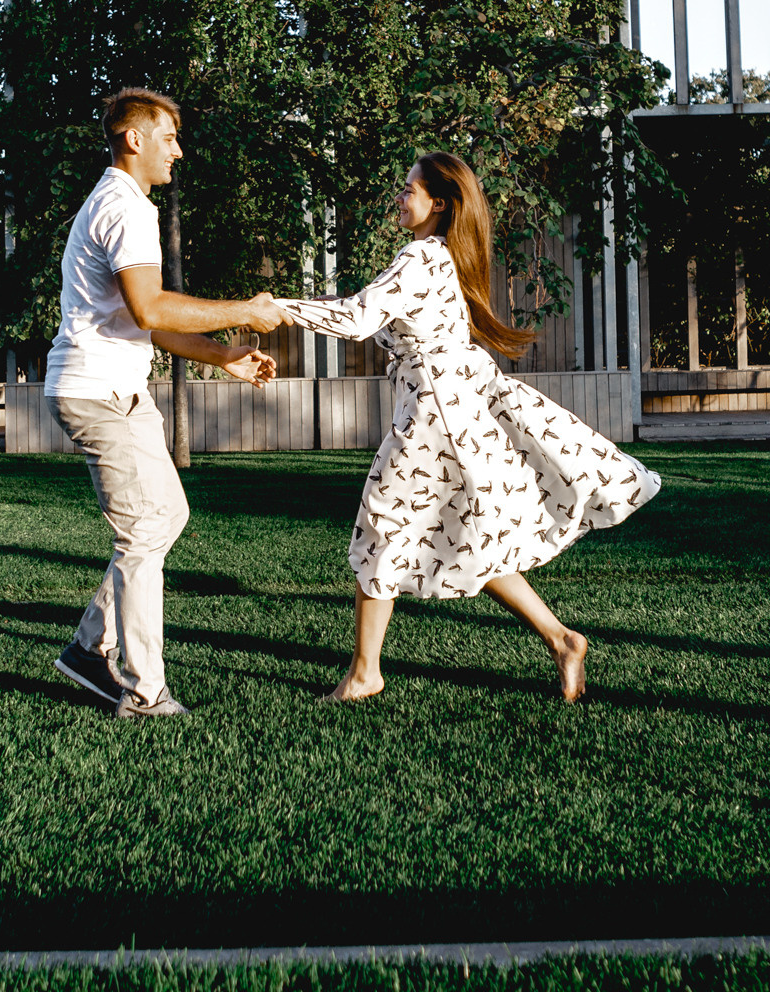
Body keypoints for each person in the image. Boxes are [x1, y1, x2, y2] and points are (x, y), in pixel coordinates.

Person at [277, 153, 660, 703]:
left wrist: (277, 307)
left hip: (434, 418)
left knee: (381, 528)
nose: (400, 196)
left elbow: (358, 319)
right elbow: (381, 321)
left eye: (409, 188)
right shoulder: (443, 259)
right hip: (452, 409)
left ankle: (365, 674)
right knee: (472, 534)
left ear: (438, 202)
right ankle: (561, 639)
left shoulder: (420, 257)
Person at [47, 87, 288, 719]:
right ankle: (143, 688)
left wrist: (223, 354)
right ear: (135, 139)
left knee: (165, 518)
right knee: (146, 529)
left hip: (116, 388)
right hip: (98, 393)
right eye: (169, 137)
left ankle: (87, 648)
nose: (177, 151)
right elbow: (151, 308)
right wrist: (248, 310)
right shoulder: (126, 208)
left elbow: (144, 321)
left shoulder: (122, 203)